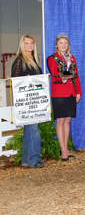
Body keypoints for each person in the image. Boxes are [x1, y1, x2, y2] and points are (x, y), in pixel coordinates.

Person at [11, 35, 45, 169]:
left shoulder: (35, 60)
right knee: (33, 130)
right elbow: (14, 80)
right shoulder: (19, 61)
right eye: (26, 43)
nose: (29, 46)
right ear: (22, 45)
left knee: (28, 130)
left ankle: (25, 160)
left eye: (31, 43)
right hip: (26, 102)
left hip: (35, 100)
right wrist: (26, 79)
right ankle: (35, 159)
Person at [47, 33, 81, 161]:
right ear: (56, 44)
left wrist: (78, 91)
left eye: (65, 43)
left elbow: (76, 75)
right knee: (60, 121)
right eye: (61, 43)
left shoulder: (71, 58)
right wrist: (63, 78)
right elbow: (55, 74)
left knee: (68, 121)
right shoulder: (52, 58)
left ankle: (66, 148)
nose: (63, 45)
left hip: (71, 92)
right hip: (59, 93)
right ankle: (63, 152)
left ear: (68, 45)